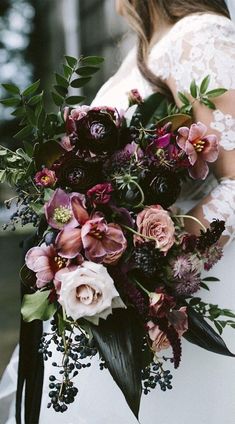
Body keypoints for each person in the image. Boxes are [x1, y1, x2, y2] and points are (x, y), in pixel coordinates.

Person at [1, 1, 235, 423]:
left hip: (153, 295)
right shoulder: (143, 50)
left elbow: (234, 179)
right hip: (102, 292)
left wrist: (153, 271)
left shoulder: (203, 35)